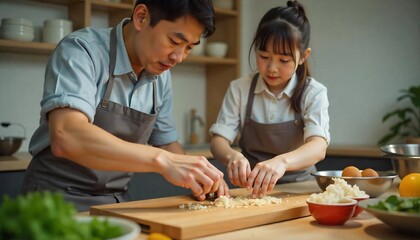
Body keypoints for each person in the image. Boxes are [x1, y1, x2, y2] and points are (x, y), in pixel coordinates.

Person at [21, 0, 228, 212]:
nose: (178, 57)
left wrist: (201, 175)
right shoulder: (82, 50)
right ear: (141, 17)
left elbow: (166, 143)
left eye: (189, 48)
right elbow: (67, 135)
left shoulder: (161, 76)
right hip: (54, 200)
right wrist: (163, 161)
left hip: (115, 204)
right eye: (174, 41)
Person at [209, 1, 330, 199]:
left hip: (301, 189)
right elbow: (218, 141)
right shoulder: (240, 88)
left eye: (283, 60)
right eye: (264, 56)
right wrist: (232, 156)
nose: (272, 68)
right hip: (251, 190)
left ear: (303, 56)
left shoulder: (313, 92)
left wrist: (282, 162)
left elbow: (318, 146)